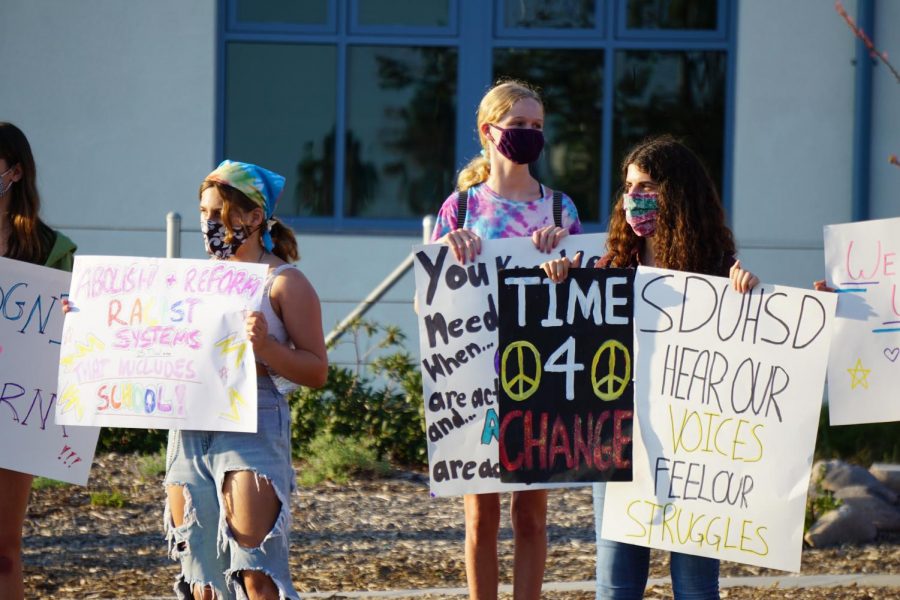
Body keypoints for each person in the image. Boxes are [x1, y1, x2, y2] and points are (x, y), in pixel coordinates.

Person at [541, 135, 759, 600]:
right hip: (620, 437)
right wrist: (563, 287)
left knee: (696, 585)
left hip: (695, 443)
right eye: (628, 185)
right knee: (616, 583)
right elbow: (576, 347)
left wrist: (745, 291)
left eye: (648, 185)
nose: (634, 196)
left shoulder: (718, 270)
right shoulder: (611, 266)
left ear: (678, 193)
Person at [430, 80, 582, 600]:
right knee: (481, 515)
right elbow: (429, 303)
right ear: (487, 131)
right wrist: (451, 252)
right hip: (474, 375)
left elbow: (586, 305)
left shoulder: (561, 211)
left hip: (541, 373)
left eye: (537, 126)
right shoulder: (461, 209)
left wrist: (565, 267)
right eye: (518, 126)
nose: (529, 135)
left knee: (532, 515)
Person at [164, 160, 328, 600]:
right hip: (190, 425)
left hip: (252, 423)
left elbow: (316, 369)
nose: (206, 223)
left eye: (216, 211)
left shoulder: (284, 282)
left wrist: (268, 350)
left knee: (254, 570)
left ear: (254, 217)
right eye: (202, 211)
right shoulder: (192, 283)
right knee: (201, 574)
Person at [0, 122, 77, 600]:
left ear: (14, 173)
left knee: (5, 547)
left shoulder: (51, 251)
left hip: (14, 414)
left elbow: (74, 333)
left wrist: (76, 313)